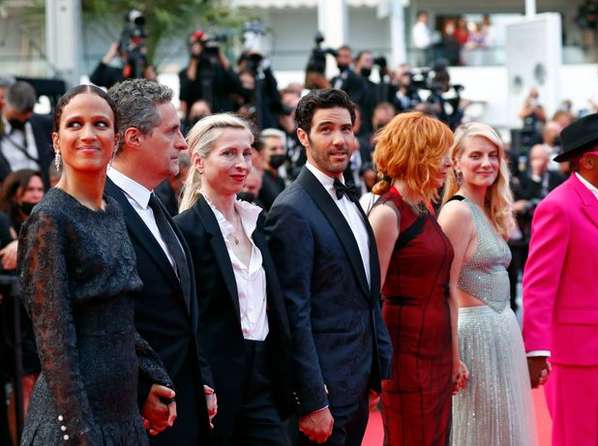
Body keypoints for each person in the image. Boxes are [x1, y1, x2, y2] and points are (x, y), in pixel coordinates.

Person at [18, 84, 173, 445]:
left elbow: (117, 319)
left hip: (122, 418)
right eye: (75, 125)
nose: (88, 134)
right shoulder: (49, 220)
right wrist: (78, 434)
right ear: (56, 140)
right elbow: (54, 342)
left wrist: (153, 378)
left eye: (100, 124)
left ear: (116, 138)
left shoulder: (113, 211)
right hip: (74, 424)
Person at [265, 88, 391, 446]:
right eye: (326, 129)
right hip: (322, 393)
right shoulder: (292, 209)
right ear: (303, 136)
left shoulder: (349, 197)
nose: (340, 140)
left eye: (346, 129)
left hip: (356, 381)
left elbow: (366, 293)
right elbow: (292, 314)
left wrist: (374, 373)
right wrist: (311, 400)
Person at [105, 79, 216, 445]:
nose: (183, 143)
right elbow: (101, 320)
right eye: (172, 131)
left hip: (181, 406)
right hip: (133, 417)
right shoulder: (98, 209)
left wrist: (200, 379)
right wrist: (140, 390)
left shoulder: (156, 207)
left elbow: (182, 313)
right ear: (134, 137)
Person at [175, 114, 292, 444]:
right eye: (229, 153)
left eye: (247, 153)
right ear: (199, 161)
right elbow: (186, 318)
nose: (242, 163)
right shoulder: (185, 230)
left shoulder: (259, 223)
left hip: (264, 375)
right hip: (216, 381)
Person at [522, 113, 598, 446]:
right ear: (587, 161)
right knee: (576, 438)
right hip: (574, 351)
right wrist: (536, 350)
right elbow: (538, 285)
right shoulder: (557, 207)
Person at [439, 122, 537, 446]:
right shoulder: (457, 212)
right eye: (476, 155)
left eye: (493, 155)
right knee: (479, 430)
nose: (486, 163)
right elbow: (446, 287)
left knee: (504, 429)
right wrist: (453, 355)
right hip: (473, 336)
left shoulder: (488, 210)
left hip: (502, 331)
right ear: (457, 162)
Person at [367, 112, 460, 445]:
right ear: (416, 154)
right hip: (405, 352)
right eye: (441, 154)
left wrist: (454, 356)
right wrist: (373, 369)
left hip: (435, 348)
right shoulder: (387, 214)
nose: (450, 163)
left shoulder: (424, 206)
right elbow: (369, 298)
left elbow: (445, 288)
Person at [0, 81, 54, 185]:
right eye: (21, 113)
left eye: (29, 112)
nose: (25, 117)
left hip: (44, 194)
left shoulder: (45, 124)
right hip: (11, 195)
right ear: (6, 103)